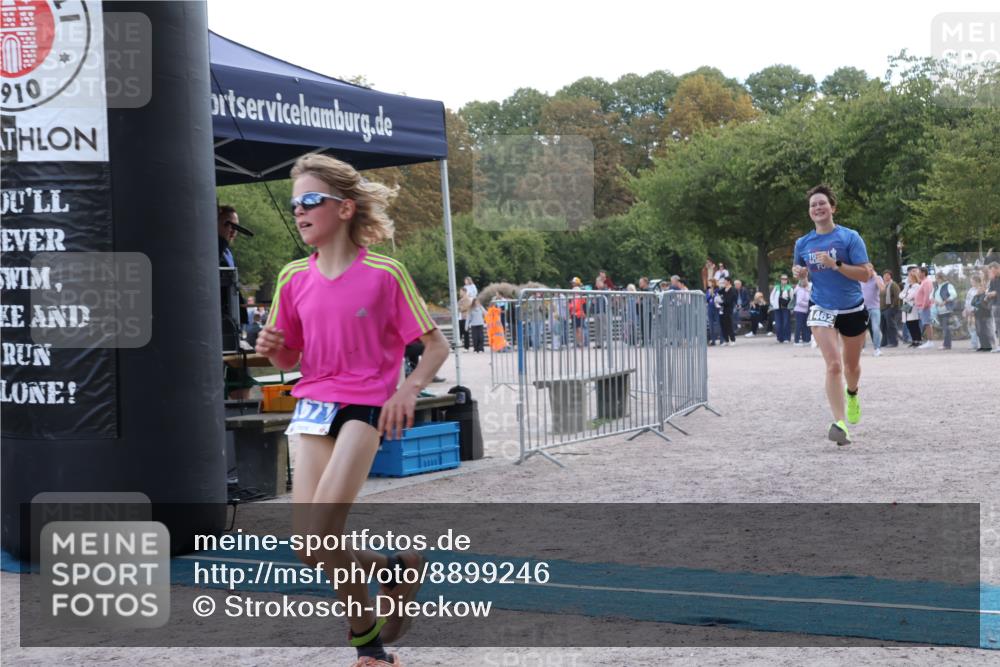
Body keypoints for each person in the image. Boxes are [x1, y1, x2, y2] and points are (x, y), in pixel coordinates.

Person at [255, 154, 448, 667]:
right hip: (313, 407)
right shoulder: (291, 277)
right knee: (308, 546)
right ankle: (392, 569)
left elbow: (436, 347)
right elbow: (288, 357)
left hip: (365, 406)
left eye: (310, 201)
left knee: (322, 534)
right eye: (295, 203)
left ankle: (371, 652)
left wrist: (408, 389)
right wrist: (271, 346)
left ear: (344, 208)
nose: (299, 211)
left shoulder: (386, 273)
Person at [791, 185, 873, 446]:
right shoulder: (802, 243)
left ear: (833, 207)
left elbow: (866, 274)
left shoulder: (850, 238)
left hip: (851, 307)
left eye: (822, 203)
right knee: (833, 364)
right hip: (821, 307)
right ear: (809, 212)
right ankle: (839, 424)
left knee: (851, 367)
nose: (817, 208)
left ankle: (852, 394)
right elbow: (803, 277)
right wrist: (801, 276)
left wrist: (835, 264)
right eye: (813, 205)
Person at [218, 205, 256, 399]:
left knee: (242, 380)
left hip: (231, 327)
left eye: (236, 226)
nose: (233, 230)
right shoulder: (214, 248)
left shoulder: (226, 252)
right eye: (228, 224)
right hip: (219, 328)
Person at [859, 270, 885, 356]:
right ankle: (861, 348)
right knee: (861, 329)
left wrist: (876, 276)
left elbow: (882, 289)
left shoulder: (877, 278)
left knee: (875, 328)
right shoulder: (860, 278)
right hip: (863, 308)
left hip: (874, 307)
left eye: (870, 270)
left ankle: (877, 348)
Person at [933, 273, 958, 350]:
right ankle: (946, 344)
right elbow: (931, 296)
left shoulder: (948, 286)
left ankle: (947, 345)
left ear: (941, 278)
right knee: (944, 327)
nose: (936, 280)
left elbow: (954, 295)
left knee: (946, 327)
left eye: (937, 278)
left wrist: (944, 302)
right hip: (939, 310)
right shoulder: (937, 287)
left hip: (946, 309)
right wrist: (936, 301)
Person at [901, 267, 923, 347]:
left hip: (913, 307)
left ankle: (918, 340)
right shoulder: (908, 286)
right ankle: (914, 340)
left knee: (914, 324)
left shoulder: (916, 286)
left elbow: (911, 296)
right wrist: (905, 296)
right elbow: (900, 295)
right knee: (909, 324)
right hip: (906, 306)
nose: (908, 279)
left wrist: (905, 296)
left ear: (913, 278)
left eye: (910, 277)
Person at [914, 267, 935, 349]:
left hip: (925, 307)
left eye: (918, 272)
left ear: (923, 273)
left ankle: (930, 341)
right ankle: (929, 341)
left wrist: (924, 306)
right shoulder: (923, 282)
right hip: (922, 307)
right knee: (926, 324)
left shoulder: (926, 282)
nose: (917, 274)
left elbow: (927, 295)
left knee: (927, 324)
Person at [770, 275, 794, 343]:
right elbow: (772, 296)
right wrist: (773, 303)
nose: (784, 280)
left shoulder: (790, 288)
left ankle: (786, 338)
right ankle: (779, 338)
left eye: (785, 279)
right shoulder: (776, 287)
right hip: (777, 308)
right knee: (778, 324)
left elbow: (792, 299)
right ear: (780, 280)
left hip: (786, 308)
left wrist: (791, 307)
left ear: (787, 280)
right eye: (782, 279)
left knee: (786, 323)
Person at [880, 271, 901, 348]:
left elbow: (897, 296)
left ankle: (894, 342)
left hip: (890, 308)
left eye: (888, 275)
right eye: (884, 275)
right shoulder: (882, 285)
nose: (886, 276)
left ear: (890, 276)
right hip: (882, 308)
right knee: (883, 325)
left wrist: (892, 306)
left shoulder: (893, 285)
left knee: (890, 325)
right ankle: (884, 342)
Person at [792, 277, 812, 346]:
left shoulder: (806, 290)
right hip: (799, 311)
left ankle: (806, 340)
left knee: (805, 326)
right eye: (805, 281)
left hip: (805, 311)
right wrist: (808, 304)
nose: (806, 283)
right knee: (798, 326)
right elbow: (799, 302)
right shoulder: (800, 290)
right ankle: (796, 341)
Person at [719, 276, 737, 345]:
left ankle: (733, 340)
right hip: (722, 309)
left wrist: (721, 303)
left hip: (728, 309)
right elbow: (718, 292)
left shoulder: (732, 289)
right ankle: (726, 340)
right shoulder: (724, 288)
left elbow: (729, 301)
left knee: (729, 324)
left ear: (729, 281)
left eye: (725, 281)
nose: (724, 282)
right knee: (723, 325)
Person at [986, 262, 1000, 352]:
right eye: (991, 271)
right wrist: (989, 293)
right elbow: (990, 290)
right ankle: (998, 345)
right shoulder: (993, 279)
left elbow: (996, 292)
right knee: (997, 326)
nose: (992, 273)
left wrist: (994, 293)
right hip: (995, 304)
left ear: (997, 268)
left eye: (993, 271)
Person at [706, 278, 723, 346]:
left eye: (710, 282)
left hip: (717, 308)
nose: (709, 284)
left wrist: (714, 293)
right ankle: (713, 340)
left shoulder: (718, 290)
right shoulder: (708, 290)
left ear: (713, 283)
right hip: (710, 308)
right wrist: (710, 294)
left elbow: (720, 298)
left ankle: (722, 340)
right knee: (711, 325)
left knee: (719, 324)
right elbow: (706, 299)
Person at [458, 286, 472, 351]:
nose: (460, 293)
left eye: (461, 291)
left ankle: (466, 347)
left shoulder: (467, 299)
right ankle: (457, 346)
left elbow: (467, 307)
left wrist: (460, 308)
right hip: (461, 318)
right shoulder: (461, 299)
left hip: (465, 317)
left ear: (464, 292)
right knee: (459, 332)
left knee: (466, 333)